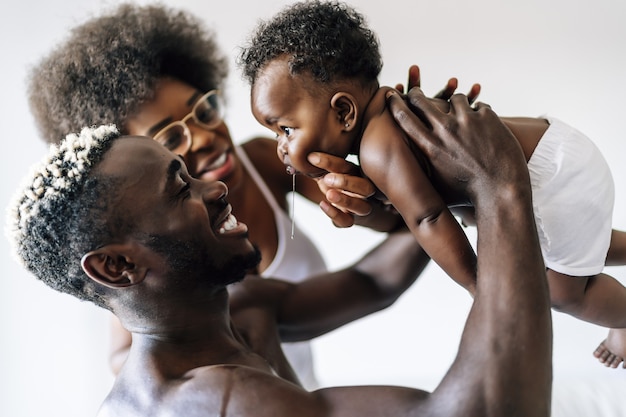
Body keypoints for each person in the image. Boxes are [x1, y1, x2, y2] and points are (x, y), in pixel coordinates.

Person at [7, 84, 553, 415]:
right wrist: (499, 186)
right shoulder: (214, 403)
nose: (214, 186)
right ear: (117, 266)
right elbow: (492, 411)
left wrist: (430, 190)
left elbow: (374, 284)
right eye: (181, 188)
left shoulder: (233, 312)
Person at [25, 3, 482, 383]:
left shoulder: (269, 161)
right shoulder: (143, 275)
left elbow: (401, 230)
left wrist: (412, 164)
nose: (204, 137)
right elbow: (129, 358)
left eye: (203, 110)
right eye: (169, 139)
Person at [238, 0, 626, 368]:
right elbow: (417, 206)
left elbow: (427, 218)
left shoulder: (377, 147)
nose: (282, 147)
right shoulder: (390, 111)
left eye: (286, 129)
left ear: (343, 111)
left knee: (563, 291)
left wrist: (478, 286)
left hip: (550, 180)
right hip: (558, 153)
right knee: (578, 244)